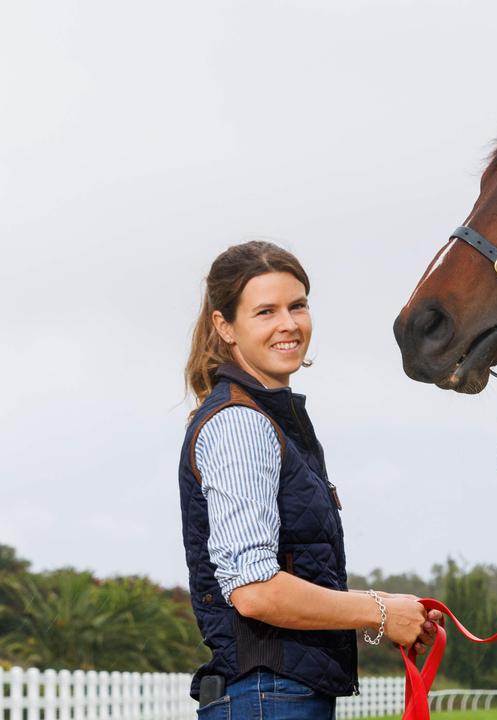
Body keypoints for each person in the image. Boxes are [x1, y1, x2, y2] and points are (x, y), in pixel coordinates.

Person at [178, 241, 441, 719]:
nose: (289, 324)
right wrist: (380, 610)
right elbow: (255, 590)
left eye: (297, 305)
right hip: (267, 697)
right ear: (224, 326)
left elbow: (296, 577)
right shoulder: (241, 423)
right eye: (265, 311)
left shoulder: (270, 418)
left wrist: (392, 620)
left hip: (281, 695)